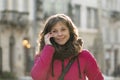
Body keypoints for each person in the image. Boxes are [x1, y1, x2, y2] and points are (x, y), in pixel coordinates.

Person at [30, 14, 104, 80]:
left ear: (70, 31)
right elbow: (37, 77)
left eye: (63, 29)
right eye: (55, 31)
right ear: (48, 35)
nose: (60, 34)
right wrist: (48, 47)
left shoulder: (84, 56)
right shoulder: (43, 56)